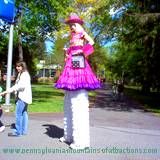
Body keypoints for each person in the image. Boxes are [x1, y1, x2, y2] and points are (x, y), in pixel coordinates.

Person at [55, 13, 101, 149]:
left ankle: (80, 141)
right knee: (68, 99)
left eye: (73, 25)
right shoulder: (72, 37)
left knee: (78, 86)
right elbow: (71, 50)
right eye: (70, 25)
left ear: (78, 24)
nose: (71, 27)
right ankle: (68, 135)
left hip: (79, 61)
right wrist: (67, 52)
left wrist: (83, 52)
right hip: (71, 61)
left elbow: (92, 42)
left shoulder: (82, 34)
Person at [1, 61, 32, 136]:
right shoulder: (22, 74)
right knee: (24, 113)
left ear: (23, 66)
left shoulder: (24, 75)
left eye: (19, 66)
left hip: (22, 98)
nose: (17, 68)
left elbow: (19, 86)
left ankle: (18, 132)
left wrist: (7, 91)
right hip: (25, 97)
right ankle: (23, 131)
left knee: (18, 114)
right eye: (16, 66)